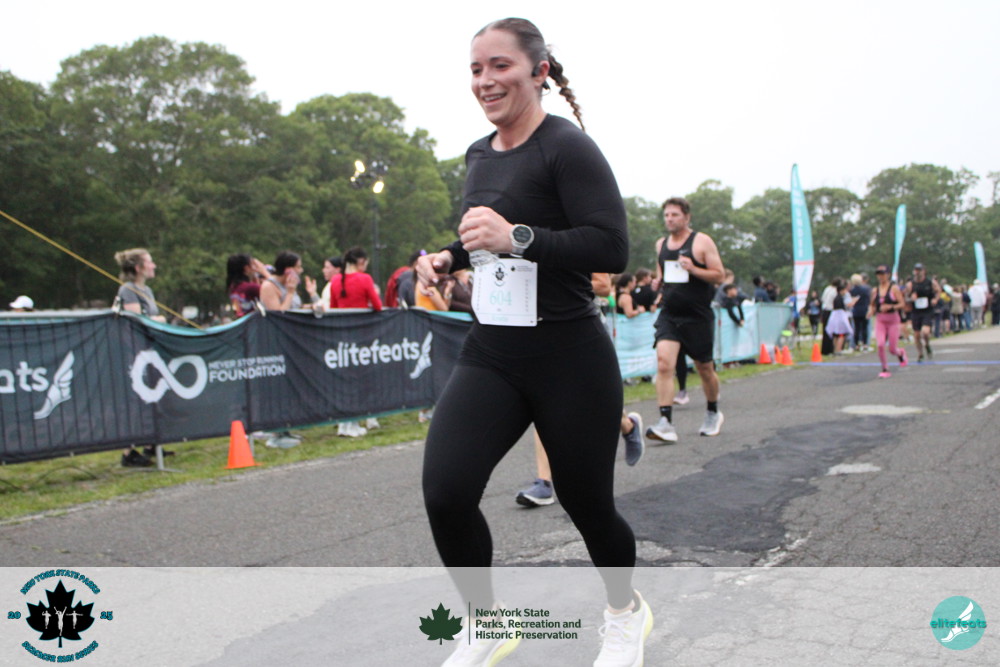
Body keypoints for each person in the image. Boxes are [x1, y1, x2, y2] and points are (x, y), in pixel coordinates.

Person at [416, 18, 650, 666]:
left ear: (539, 71)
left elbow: (610, 246)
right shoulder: (479, 154)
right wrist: (448, 256)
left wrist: (517, 238)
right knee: (446, 492)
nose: (485, 81)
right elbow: (485, 234)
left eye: (501, 66)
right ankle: (487, 623)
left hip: (568, 355)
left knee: (588, 506)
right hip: (493, 352)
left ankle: (625, 612)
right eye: (476, 69)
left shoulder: (567, 147)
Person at [645, 197, 725, 446]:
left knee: (704, 368)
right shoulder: (661, 244)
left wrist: (693, 268)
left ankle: (713, 412)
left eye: (675, 215)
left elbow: (719, 276)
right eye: (666, 215)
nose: (669, 219)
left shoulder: (701, 242)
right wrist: (657, 283)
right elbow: (662, 274)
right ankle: (665, 422)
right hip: (670, 314)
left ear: (687, 217)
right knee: (664, 364)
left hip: (697, 315)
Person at [115, 248, 168, 467]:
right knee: (135, 401)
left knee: (152, 398)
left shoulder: (147, 290)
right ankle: (128, 453)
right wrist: (159, 320)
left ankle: (150, 444)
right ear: (138, 268)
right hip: (131, 353)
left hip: (148, 351)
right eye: (150, 262)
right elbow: (137, 319)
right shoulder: (127, 289)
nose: (154, 265)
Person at [867, 264, 908, 378]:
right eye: (879, 274)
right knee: (880, 345)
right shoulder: (875, 290)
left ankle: (900, 353)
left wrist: (891, 307)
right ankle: (885, 368)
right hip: (880, 320)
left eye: (883, 274)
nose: (881, 277)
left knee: (892, 349)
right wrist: (870, 311)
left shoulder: (894, 288)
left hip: (893, 320)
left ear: (888, 275)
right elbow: (872, 305)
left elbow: (902, 304)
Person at [904, 263, 940, 362]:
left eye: (919, 270)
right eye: (916, 270)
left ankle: (927, 345)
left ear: (924, 271)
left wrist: (935, 299)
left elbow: (938, 291)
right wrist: (911, 298)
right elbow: (905, 298)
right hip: (916, 312)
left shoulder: (930, 282)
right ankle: (920, 353)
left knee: (925, 332)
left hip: (927, 311)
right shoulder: (910, 284)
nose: (918, 272)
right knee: (917, 335)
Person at [849, 273, 871, 351]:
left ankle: (856, 344)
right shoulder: (865, 289)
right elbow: (868, 300)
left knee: (857, 328)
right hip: (864, 310)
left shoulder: (852, 290)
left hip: (855, 311)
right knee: (864, 328)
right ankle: (865, 344)